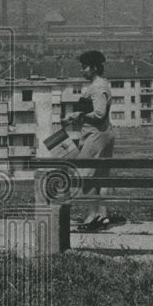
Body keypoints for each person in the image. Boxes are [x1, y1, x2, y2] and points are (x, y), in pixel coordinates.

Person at [62, 50, 115, 232]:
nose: (81, 70)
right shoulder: (100, 84)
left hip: (96, 135)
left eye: (84, 67)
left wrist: (79, 115)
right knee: (101, 178)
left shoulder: (98, 87)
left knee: (85, 176)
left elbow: (99, 114)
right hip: (103, 134)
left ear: (93, 67)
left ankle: (93, 217)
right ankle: (103, 216)